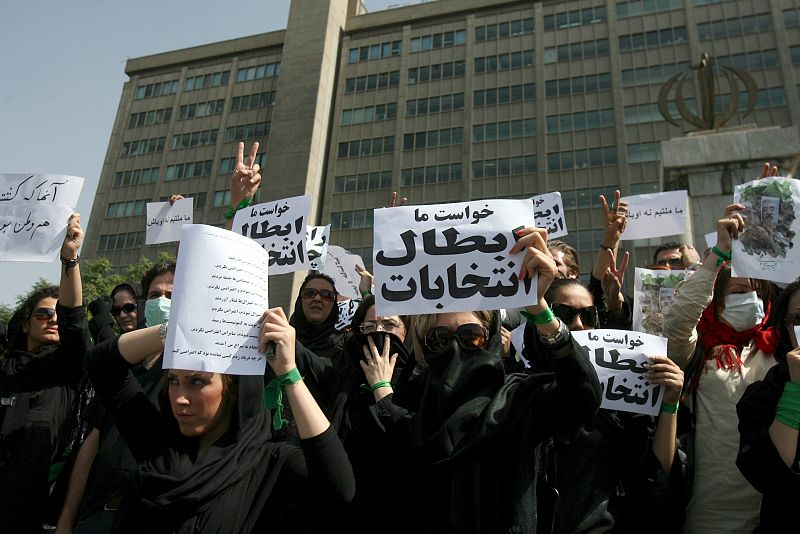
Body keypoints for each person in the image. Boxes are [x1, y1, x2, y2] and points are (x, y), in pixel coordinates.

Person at [357, 227, 602, 532]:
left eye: (470, 336)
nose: (455, 347)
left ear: (489, 338)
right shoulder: (413, 401)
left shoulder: (519, 399)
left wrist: (539, 306)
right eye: (439, 339)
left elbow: (583, 396)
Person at [85, 306, 355, 532]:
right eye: (173, 381)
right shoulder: (158, 443)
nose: (179, 397)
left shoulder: (269, 464)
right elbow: (102, 362)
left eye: (197, 382)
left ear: (233, 389)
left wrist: (289, 373)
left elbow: (339, 490)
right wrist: (178, 327)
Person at [662, 203, 778, 533]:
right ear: (716, 301)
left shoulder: (780, 347)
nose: (753, 300)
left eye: (759, 292)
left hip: (774, 502)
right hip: (712, 508)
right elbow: (681, 317)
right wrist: (720, 253)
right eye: (740, 291)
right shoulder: (697, 349)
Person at [540, 278, 686, 532]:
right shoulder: (524, 388)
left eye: (587, 315)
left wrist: (669, 405)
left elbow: (656, 474)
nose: (577, 324)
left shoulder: (628, 388)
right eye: (564, 315)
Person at [56, 263, 175, 533]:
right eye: (155, 295)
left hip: (151, 516)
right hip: (97, 514)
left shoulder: (192, 369)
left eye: (172, 294)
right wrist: (67, 517)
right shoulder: (123, 365)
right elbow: (93, 442)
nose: (163, 301)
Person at [0, 214, 89, 534]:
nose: (52, 319)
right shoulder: (6, 367)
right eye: (42, 314)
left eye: (56, 314)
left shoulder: (65, 367)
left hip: (34, 512)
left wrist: (69, 259)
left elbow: (74, 319)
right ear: (25, 322)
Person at [736, 277, 800, 532]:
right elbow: (768, 475)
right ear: (786, 328)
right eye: (799, 319)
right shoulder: (763, 395)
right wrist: (796, 390)